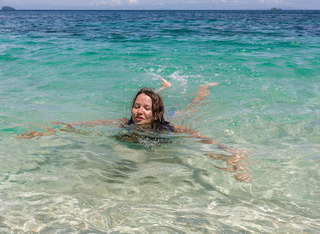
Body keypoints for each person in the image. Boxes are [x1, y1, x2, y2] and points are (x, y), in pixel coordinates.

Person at [16, 77, 251, 182]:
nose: (139, 111)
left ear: (154, 113)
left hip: (169, 118)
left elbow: (200, 140)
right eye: (136, 106)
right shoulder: (123, 122)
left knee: (191, 108)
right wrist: (49, 129)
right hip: (158, 112)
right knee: (155, 99)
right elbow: (82, 126)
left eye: (145, 108)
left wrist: (230, 155)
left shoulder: (167, 127)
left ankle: (202, 88)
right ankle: (163, 88)